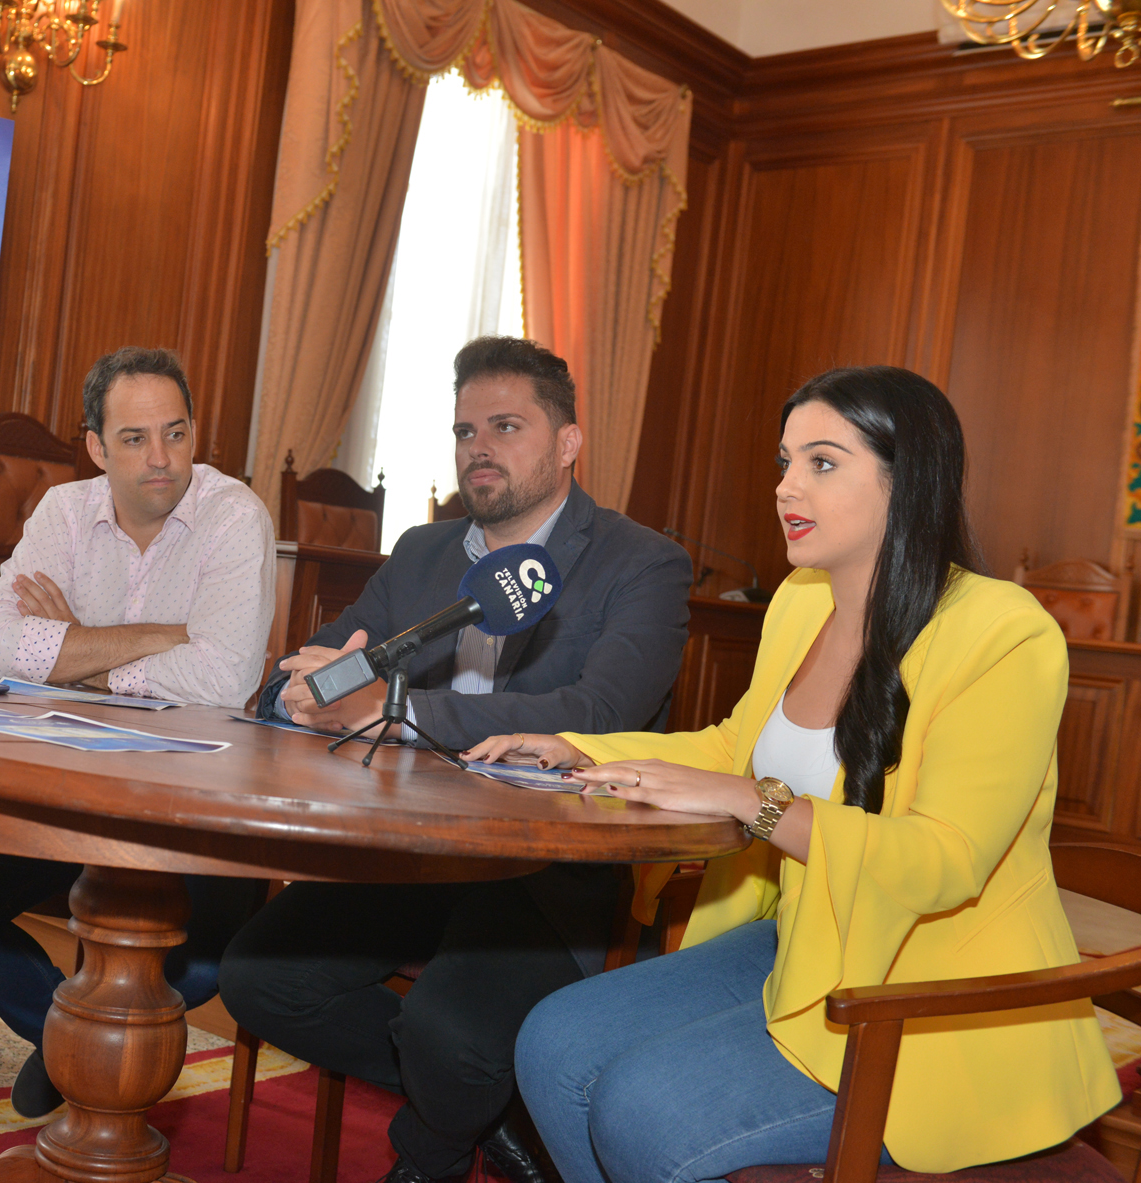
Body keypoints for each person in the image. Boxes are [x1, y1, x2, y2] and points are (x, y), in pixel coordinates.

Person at [470, 366, 1119, 1182]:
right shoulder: (803, 600)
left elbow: (944, 859)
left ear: (908, 479)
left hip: (929, 992)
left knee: (641, 1108)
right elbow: (737, 747)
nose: (786, 487)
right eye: (785, 461)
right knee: (552, 1043)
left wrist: (758, 804)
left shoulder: (1003, 633)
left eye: (822, 462)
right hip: (809, 937)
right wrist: (580, 749)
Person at [217, 337, 693, 1183]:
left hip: (548, 877)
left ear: (568, 442)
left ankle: (431, 1148)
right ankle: (480, 1104)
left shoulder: (641, 562)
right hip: (415, 853)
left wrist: (399, 712)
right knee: (258, 977)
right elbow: (322, 664)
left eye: (506, 426)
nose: (479, 447)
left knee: (449, 1034)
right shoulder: (423, 553)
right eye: (465, 430)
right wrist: (298, 693)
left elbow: (599, 715)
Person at [0, 346, 274, 1118]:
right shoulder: (63, 513)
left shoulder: (234, 516)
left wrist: (76, 655)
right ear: (98, 448)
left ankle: (76, 1048)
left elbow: (223, 677)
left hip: (194, 806)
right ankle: (69, 1041)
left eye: (176, 433)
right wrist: (162, 638)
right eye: (135, 439)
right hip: (69, 789)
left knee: (199, 965)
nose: (161, 457)